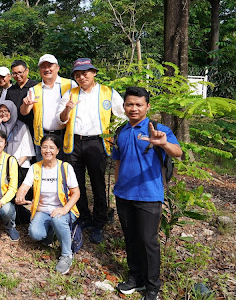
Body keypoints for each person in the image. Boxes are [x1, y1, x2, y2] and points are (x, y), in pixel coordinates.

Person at [113, 87, 181, 300]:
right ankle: (135, 278)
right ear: (124, 106)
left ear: (147, 106)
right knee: (131, 237)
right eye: (130, 104)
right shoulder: (121, 131)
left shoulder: (158, 129)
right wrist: (117, 186)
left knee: (148, 241)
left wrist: (164, 143)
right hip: (123, 194)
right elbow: (118, 161)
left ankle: (152, 287)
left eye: (139, 104)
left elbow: (178, 152)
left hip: (149, 195)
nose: (134, 108)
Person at [57, 58, 125, 244]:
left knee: (98, 183)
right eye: (78, 74)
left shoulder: (107, 92)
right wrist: (67, 110)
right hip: (74, 143)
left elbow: (122, 115)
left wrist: (111, 134)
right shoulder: (70, 94)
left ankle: (99, 222)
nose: (82, 76)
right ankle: (83, 216)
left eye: (85, 72)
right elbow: (61, 120)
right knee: (76, 183)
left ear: (94, 72)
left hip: (97, 143)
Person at [15, 134, 80, 275]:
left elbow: (76, 193)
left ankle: (66, 255)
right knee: (35, 234)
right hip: (43, 210)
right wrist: (20, 195)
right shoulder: (35, 168)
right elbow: (25, 186)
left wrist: (64, 209)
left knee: (57, 219)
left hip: (64, 210)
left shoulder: (65, 167)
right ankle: (53, 232)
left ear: (57, 150)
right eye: (44, 147)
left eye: (52, 147)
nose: (47, 150)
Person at [20, 54, 76, 159]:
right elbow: (24, 112)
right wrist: (25, 104)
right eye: (43, 66)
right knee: (43, 170)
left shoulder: (70, 85)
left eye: (50, 66)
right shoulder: (34, 89)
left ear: (57, 68)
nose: (47, 69)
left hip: (65, 135)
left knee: (63, 170)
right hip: (42, 136)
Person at [0, 100, 35, 224]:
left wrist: (13, 166)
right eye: (1, 111)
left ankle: (17, 215)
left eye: (7, 111)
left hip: (20, 166)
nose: (3, 113)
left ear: (13, 112)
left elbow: (26, 152)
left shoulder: (22, 127)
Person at [4, 59, 38, 139]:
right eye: (14, 73)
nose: (17, 75)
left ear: (27, 71)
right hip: (16, 130)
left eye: (20, 72)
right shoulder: (10, 90)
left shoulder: (36, 87)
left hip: (33, 129)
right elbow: (7, 109)